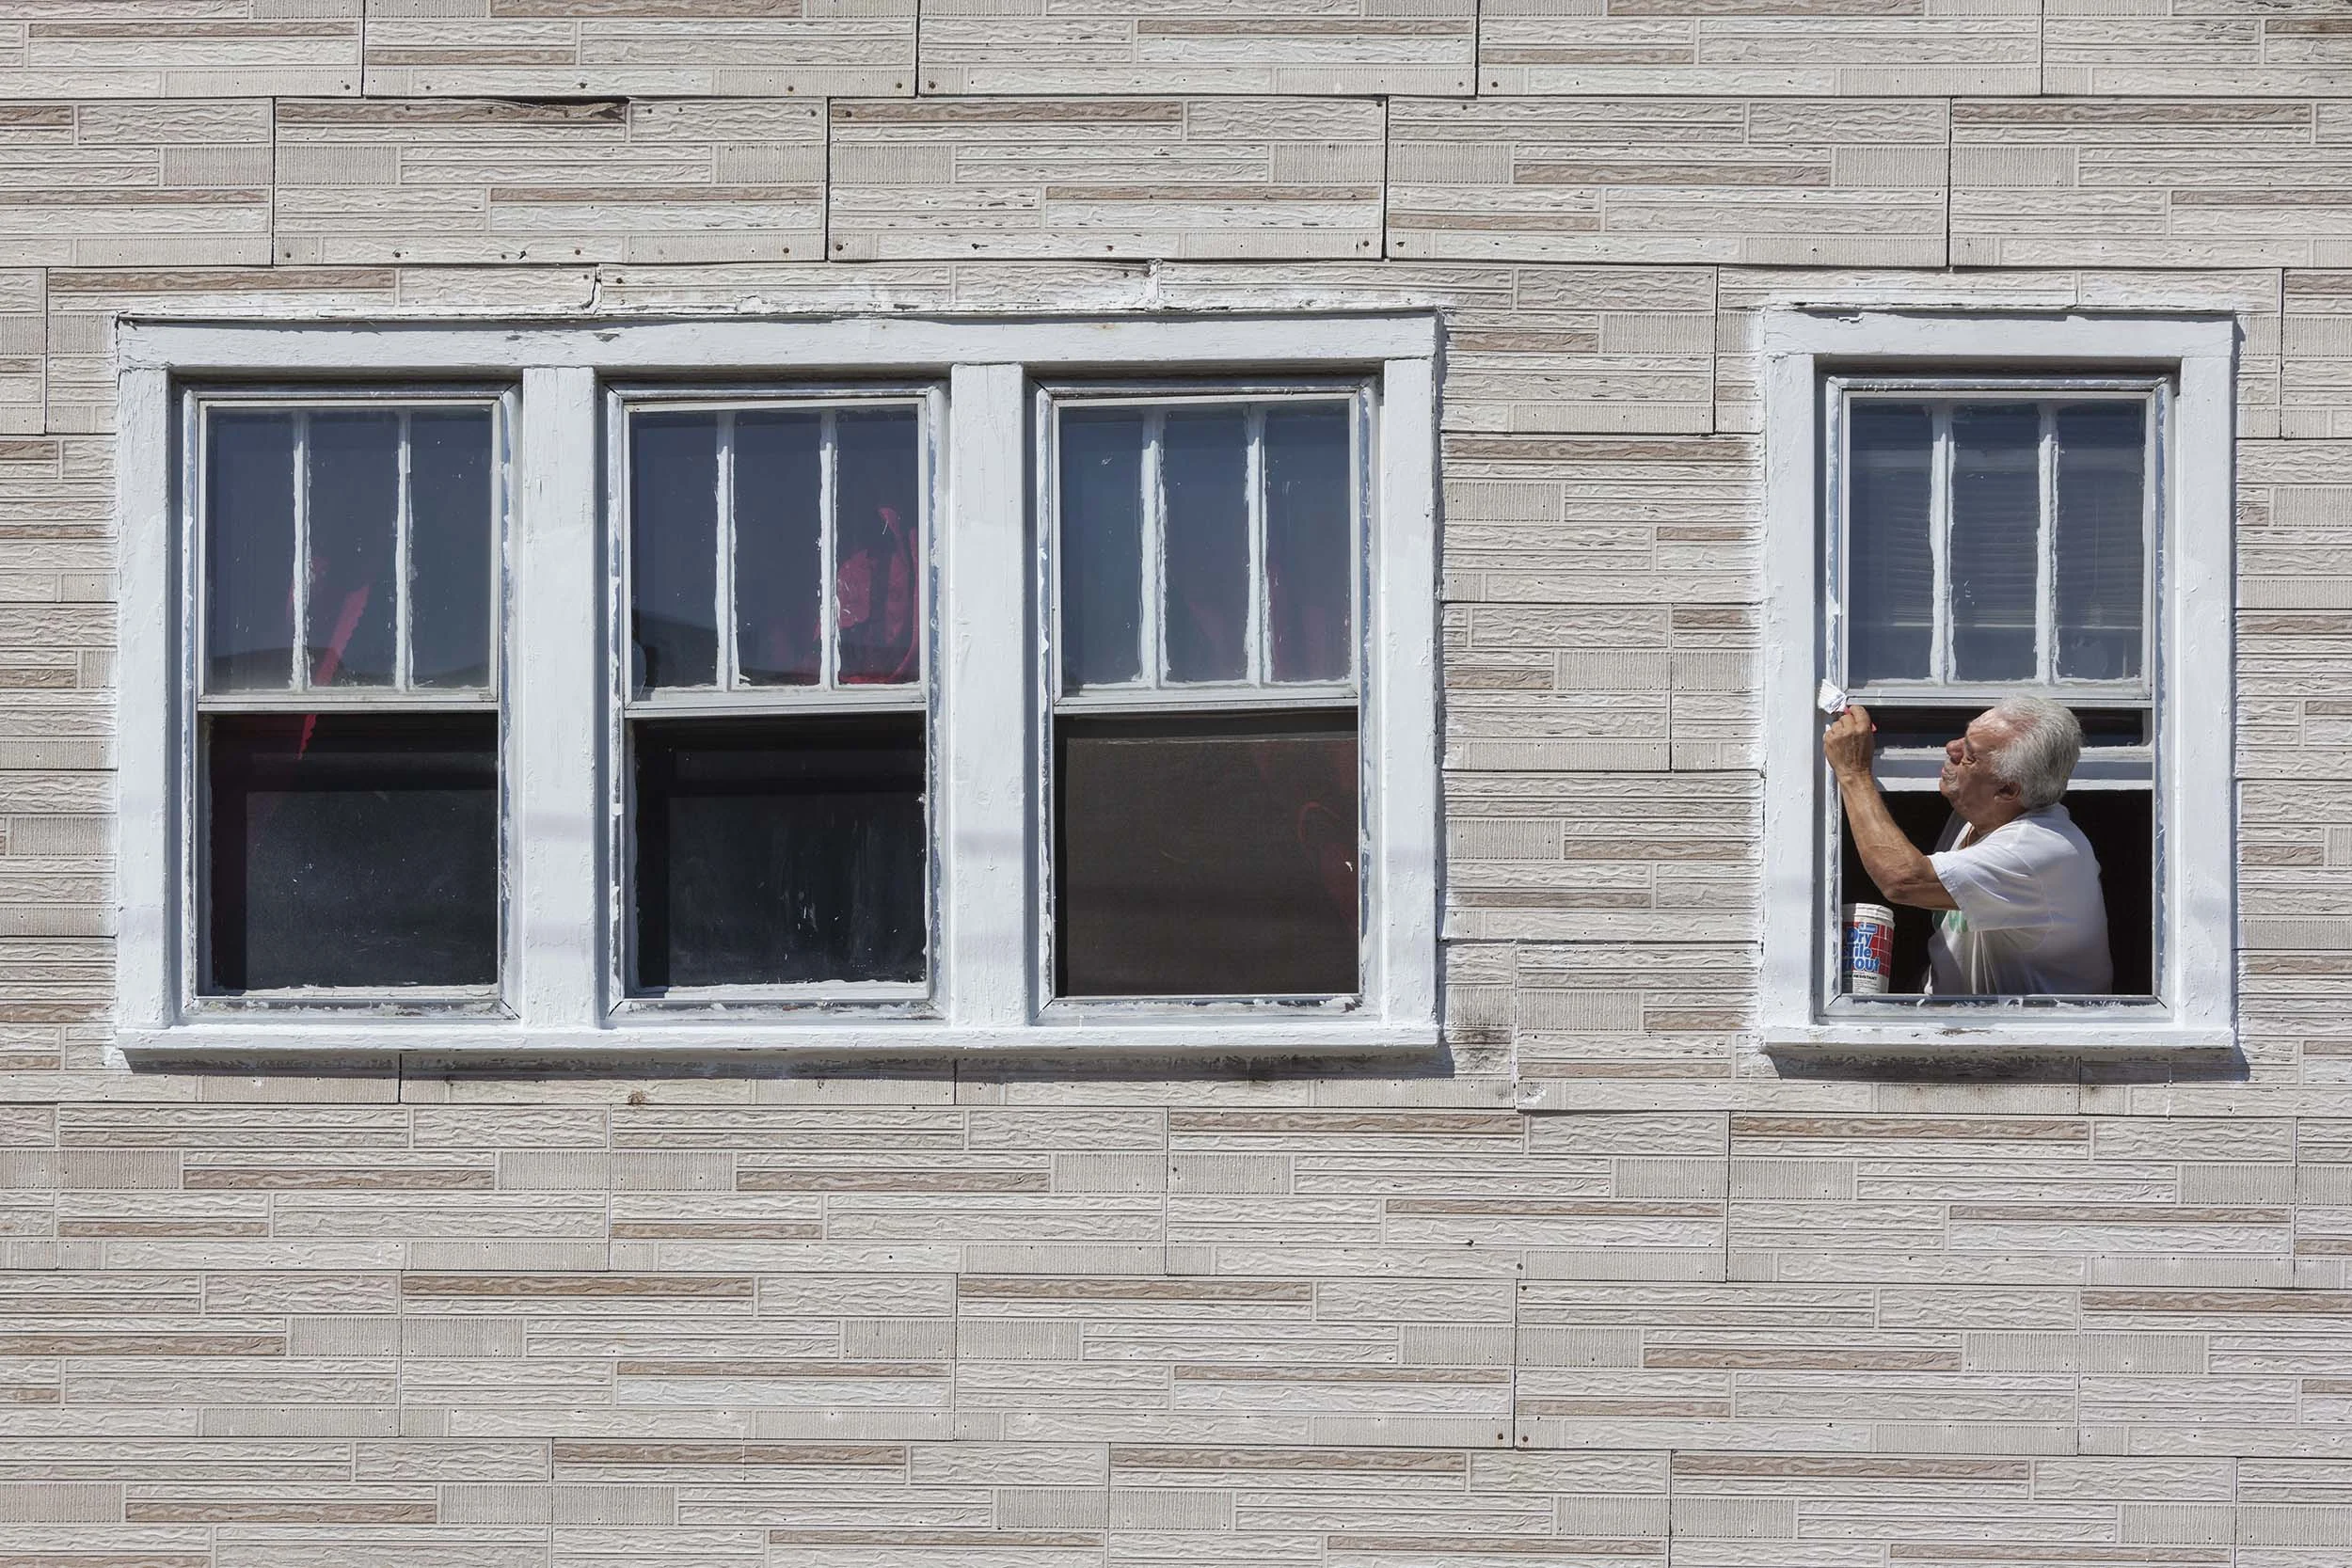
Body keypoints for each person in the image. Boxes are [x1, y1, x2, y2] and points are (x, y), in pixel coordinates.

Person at [1822, 695, 2111, 996]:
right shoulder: (1980, 813)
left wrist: (1853, 774)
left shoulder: (2038, 848)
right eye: (1964, 736)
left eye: (1970, 755)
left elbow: (1904, 879)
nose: (1951, 747)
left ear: (2006, 790)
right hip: (1962, 1021)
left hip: (2028, 1027)